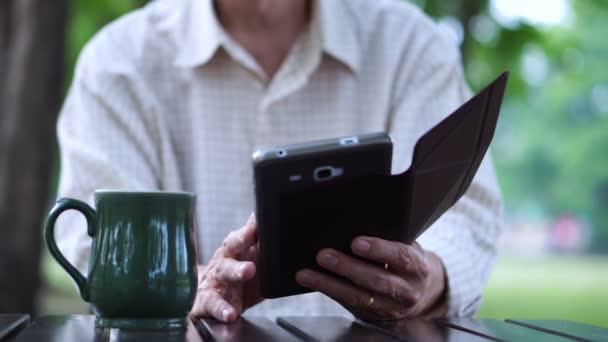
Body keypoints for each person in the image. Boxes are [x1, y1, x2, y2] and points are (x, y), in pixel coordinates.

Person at [56, 0, 504, 322]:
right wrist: (197, 288)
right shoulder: (116, 64)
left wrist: (429, 277)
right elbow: (99, 245)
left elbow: (466, 213)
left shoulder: (411, 46)